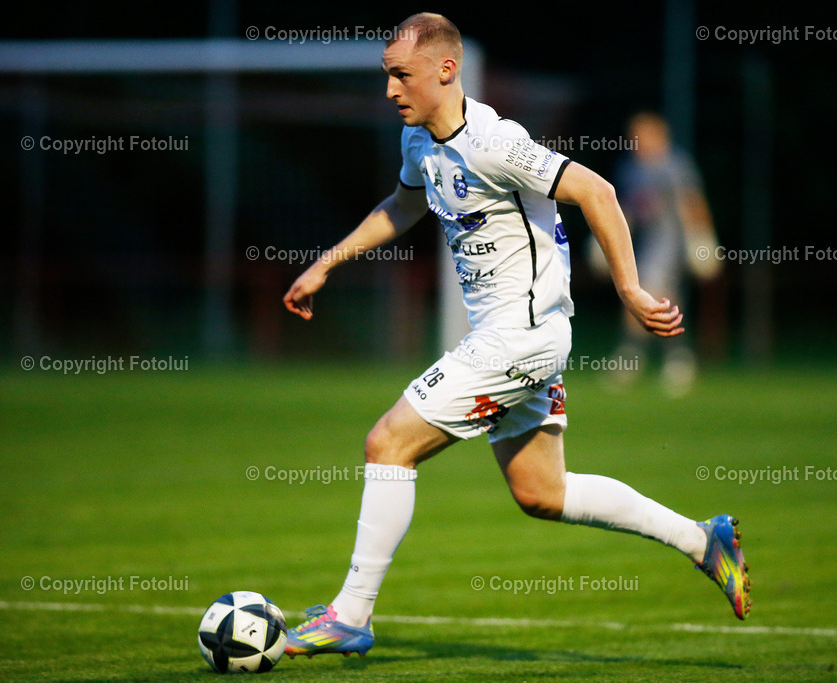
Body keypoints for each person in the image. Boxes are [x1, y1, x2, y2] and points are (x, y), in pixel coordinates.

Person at [281, 13, 750, 659]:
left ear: (446, 70)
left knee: (387, 442)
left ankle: (350, 613)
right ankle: (705, 540)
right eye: (386, 75)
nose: (390, 90)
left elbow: (597, 189)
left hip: (521, 337)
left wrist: (631, 290)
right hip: (515, 338)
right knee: (542, 492)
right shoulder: (419, 142)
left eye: (400, 75)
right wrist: (327, 262)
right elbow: (404, 204)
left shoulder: (496, 141)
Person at [591, 111, 721, 396]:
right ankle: (679, 358)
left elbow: (692, 202)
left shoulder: (674, 165)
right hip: (645, 243)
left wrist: (702, 239)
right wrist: (603, 239)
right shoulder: (631, 169)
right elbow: (626, 208)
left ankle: (631, 356)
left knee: (643, 294)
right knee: (666, 300)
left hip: (671, 242)